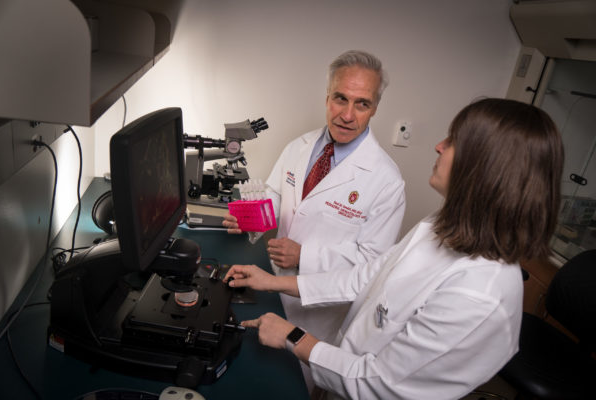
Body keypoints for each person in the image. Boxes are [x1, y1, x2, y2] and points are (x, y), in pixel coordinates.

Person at [223, 98, 564, 400]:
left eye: (454, 141)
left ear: (486, 169)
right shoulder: (440, 227)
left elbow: (380, 383)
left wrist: (294, 338)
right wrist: (271, 282)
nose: (439, 146)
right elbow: (367, 278)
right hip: (342, 369)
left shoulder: (479, 294)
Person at [223, 51, 405, 361]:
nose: (347, 115)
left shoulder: (387, 181)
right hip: (269, 284)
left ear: (375, 108)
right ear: (327, 97)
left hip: (317, 313)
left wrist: (304, 255)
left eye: (362, 103)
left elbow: (372, 265)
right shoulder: (300, 146)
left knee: (294, 383)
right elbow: (275, 195)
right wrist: (253, 216)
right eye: (340, 98)